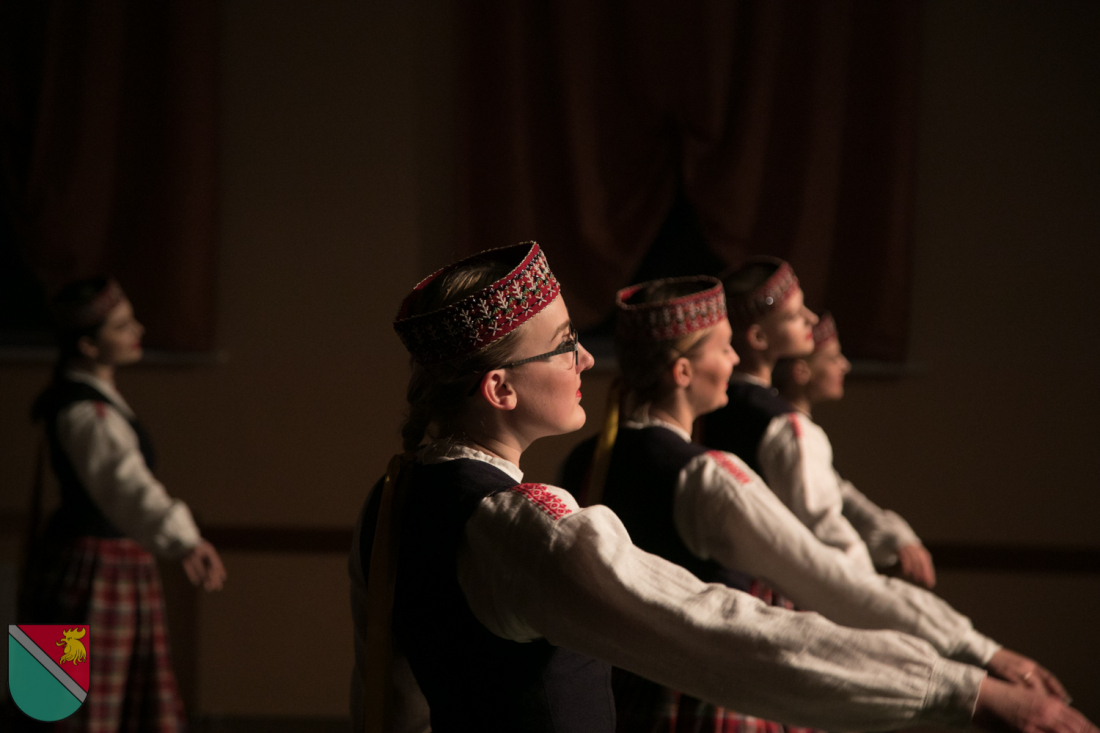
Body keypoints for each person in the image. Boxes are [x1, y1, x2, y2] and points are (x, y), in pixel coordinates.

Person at [348, 243, 1093, 733]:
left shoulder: (393, 497)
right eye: (564, 343)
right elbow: (730, 628)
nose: (584, 358)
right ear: (500, 388)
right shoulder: (531, 525)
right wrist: (965, 683)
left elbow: (392, 695)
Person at [559, 276, 1071, 732]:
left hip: (621, 698)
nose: (735, 360)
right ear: (683, 372)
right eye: (724, 349)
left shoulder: (584, 459)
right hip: (704, 702)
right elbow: (830, 579)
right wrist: (980, 652)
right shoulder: (707, 477)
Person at [18, 276, 226, 732]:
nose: (138, 331)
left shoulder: (93, 403)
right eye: (122, 325)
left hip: (99, 564)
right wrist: (184, 540)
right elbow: (125, 483)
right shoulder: (86, 413)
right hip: (91, 572)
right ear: (89, 345)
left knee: (96, 705)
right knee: (71, 709)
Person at [700, 258, 936, 586]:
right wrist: (880, 595)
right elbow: (825, 531)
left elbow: (835, 489)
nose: (811, 319)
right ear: (758, 337)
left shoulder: (718, 405)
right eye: (795, 315)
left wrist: (891, 534)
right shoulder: (785, 427)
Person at [771, 311, 936, 585]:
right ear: (801, 372)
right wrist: (871, 587)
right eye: (833, 358)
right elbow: (822, 518)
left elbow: (841, 493)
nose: (845, 365)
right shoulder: (793, 434)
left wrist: (894, 534)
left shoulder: (802, 429)